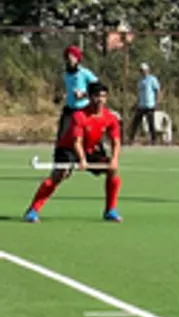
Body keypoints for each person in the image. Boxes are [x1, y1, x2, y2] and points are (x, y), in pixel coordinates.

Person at [24, 81, 122, 223]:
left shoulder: (110, 118)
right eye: (96, 96)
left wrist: (114, 160)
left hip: (89, 149)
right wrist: (82, 159)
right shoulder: (79, 115)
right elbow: (77, 142)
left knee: (112, 171)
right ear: (89, 97)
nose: (100, 100)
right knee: (60, 174)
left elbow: (116, 142)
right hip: (67, 148)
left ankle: (110, 210)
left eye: (103, 96)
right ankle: (33, 210)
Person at [58, 45, 98, 140]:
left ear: (77, 59)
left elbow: (98, 88)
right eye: (68, 57)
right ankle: (61, 154)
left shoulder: (84, 73)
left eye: (72, 57)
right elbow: (67, 90)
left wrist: (83, 94)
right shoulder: (65, 74)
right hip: (69, 109)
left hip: (84, 109)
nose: (70, 59)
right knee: (62, 136)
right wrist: (62, 96)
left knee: (89, 136)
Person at [128, 62, 162, 145]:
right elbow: (140, 94)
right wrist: (136, 103)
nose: (143, 72)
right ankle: (131, 140)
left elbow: (157, 91)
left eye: (144, 70)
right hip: (141, 105)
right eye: (141, 70)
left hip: (150, 105)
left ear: (148, 70)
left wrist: (157, 102)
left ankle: (154, 140)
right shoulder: (140, 81)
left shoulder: (152, 79)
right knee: (135, 123)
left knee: (151, 123)